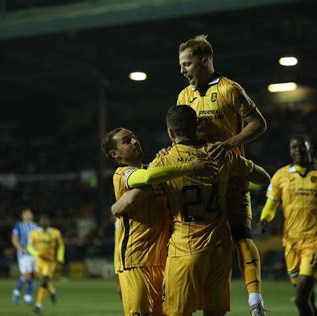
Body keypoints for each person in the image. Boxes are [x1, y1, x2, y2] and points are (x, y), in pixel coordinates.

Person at [176, 34, 268, 315]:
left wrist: (228, 144)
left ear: (204, 61)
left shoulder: (230, 89)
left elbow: (259, 123)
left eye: (187, 64)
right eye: (181, 65)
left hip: (233, 172)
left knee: (241, 232)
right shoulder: (184, 96)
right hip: (200, 178)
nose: (182, 70)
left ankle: (255, 300)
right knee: (196, 236)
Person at [149, 105, 270, 316]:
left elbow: (142, 186)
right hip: (219, 249)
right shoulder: (220, 154)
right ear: (197, 127)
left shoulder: (164, 161)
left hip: (185, 249)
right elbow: (264, 178)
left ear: (170, 133)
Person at [102, 127, 218, 316]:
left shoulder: (156, 169)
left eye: (134, 137)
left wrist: (164, 160)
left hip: (166, 260)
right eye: (126, 141)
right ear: (115, 154)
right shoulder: (122, 174)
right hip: (137, 260)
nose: (134, 141)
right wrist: (190, 166)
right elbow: (147, 179)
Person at [260, 135, 317, 316]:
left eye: (301, 147)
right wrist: (264, 219)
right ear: (289, 151)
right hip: (291, 243)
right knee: (308, 299)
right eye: (293, 147)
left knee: (300, 298)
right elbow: (270, 206)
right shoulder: (281, 176)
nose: (298, 150)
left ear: (310, 149)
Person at [27, 214, 65, 314]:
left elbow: (61, 245)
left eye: (46, 221)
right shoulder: (33, 234)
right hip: (39, 261)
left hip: (50, 261)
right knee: (42, 279)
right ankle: (52, 290)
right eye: (42, 221)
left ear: (48, 222)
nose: (44, 223)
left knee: (44, 281)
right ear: (39, 223)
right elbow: (29, 246)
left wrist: (60, 257)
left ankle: (38, 305)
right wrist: (36, 253)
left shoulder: (55, 233)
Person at [11, 208, 38, 304]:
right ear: (23, 215)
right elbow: (14, 239)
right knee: (26, 275)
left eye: (30, 213)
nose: (29, 215)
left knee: (33, 275)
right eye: (27, 213)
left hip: (34, 254)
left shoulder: (36, 226)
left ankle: (27, 296)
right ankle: (17, 292)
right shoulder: (18, 226)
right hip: (24, 254)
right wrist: (20, 248)